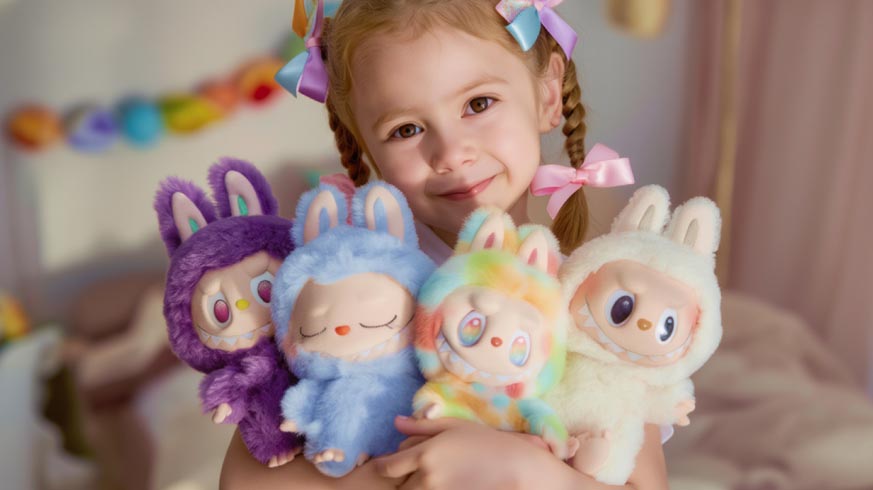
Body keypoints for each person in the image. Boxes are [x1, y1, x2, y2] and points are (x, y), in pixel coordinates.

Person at [220, 1, 669, 488]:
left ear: (547, 93)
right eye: (406, 130)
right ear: (365, 146)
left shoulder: (595, 307)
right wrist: (398, 477)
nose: (452, 153)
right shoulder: (349, 284)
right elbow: (244, 480)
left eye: (478, 104)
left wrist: (521, 469)